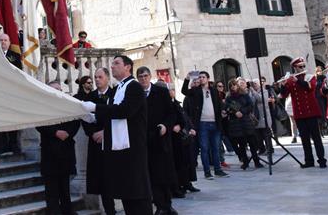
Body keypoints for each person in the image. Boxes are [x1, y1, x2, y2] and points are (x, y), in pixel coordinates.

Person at [82, 55, 151, 214]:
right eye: (112, 64)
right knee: (127, 192)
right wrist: (91, 117)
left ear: (128, 67)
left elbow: (125, 111)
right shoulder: (119, 87)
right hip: (121, 148)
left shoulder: (134, 86)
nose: (112, 66)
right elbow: (112, 116)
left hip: (132, 147)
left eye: (116, 63)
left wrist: (95, 108)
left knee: (137, 192)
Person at [136, 67, 178, 215]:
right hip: (144, 140)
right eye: (140, 76)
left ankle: (167, 204)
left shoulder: (161, 92)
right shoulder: (135, 94)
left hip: (161, 139)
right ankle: (160, 205)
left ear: (150, 76)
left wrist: (166, 126)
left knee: (165, 174)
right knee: (151, 174)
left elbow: (172, 113)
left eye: (146, 76)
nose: (143, 79)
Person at [37, 80, 81, 215]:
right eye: (55, 89)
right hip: (50, 154)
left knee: (65, 190)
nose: (59, 91)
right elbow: (39, 124)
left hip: (66, 153)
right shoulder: (43, 107)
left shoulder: (68, 104)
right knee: (51, 191)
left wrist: (68, 133)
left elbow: (76, 120)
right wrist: (55, 132)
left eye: (60, 89)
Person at [276, 57, 326, 168]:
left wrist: (297, 80)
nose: (303, 68)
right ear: (294, 67)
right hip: (299, 113)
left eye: (303, 66)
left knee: (316, 138)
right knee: (304, 139)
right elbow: (283, 95)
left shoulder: (310, 77)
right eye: (300, 66)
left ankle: (322, 160)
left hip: (311, 112)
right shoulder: (290, 80)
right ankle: (309, 161)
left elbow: (309, 88)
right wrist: (283, 84)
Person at [182, 70, 228, 179]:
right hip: (202, 123)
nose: (201, 79)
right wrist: (187, 78)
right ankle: (207, 172)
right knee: (204, 148)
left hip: (215, 123)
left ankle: (218, 170)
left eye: (203, 77)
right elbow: (184, 91)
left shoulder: (214, 91)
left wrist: (222, 111)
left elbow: (219, 104)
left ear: (208, 79)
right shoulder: (195, 91)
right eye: (200, 77)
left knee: (216, 148)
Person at [83, 67, 116, 215]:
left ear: (107, 78)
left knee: (114, 176)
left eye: (100, 77)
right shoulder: (90, 97)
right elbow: (85, 118)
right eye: (95, 77)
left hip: (113, 142)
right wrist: (93, 133)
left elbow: (119, 117)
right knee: (101, 179)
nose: (97, 80)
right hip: (96, 143)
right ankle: (109, 210)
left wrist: (106, 132)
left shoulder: (115, 95)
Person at [224, 78, 262, 170]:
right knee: (241, 145)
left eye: (234, 85)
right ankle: (245, 162)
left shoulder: (244, 95)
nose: (233, 87)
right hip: (236, 123)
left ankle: (257, 161)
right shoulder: (229, 97)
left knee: (252, 143)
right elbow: (227, 108)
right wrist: (234, 112)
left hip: (246, 121)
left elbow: (250, 106)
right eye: (231, 86)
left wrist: (242, 111)